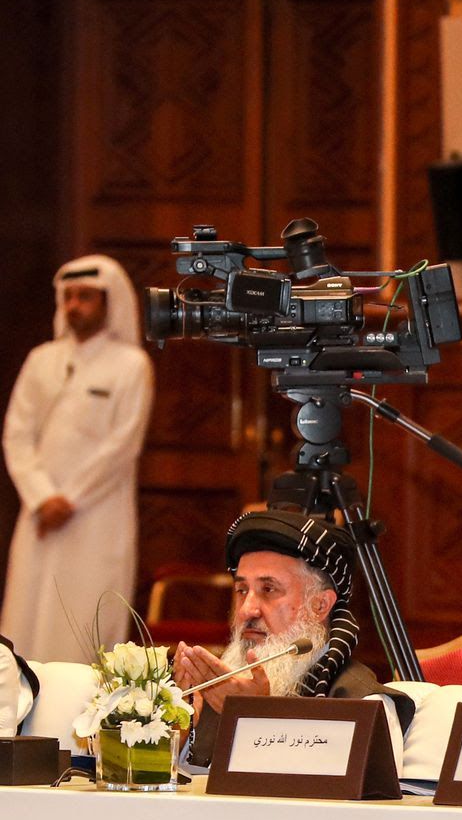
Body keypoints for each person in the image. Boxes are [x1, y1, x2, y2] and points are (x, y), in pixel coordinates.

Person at [1, 255, 154, 663]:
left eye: (85, 297)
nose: (74, 306)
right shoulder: (41, 360)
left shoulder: (131, 365)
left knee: (85, 622)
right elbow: (17, 434)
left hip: (95, 516)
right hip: (40, 516)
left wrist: (69, 499)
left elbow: (123, 444)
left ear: (109, 302)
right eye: (68, 297)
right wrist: (41, 497)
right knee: (25, 619)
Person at [175, 509, 414, 766]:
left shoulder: (365, 705)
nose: (247, 610)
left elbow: (329, 798)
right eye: (241, 590)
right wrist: (179, 730)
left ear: (320, 605)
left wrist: (256, 717)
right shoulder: (212, 688)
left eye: (269, 589)